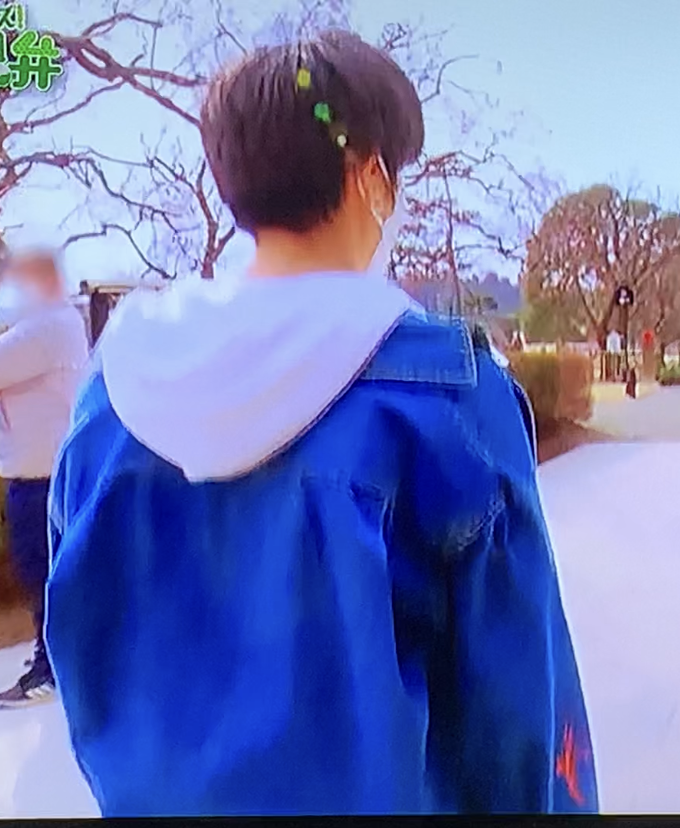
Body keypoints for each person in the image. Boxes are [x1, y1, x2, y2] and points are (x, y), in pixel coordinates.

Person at [43, 30, 597, 816]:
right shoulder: (447, 397)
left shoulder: (113, 394)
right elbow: (518, 717)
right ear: (370, 175)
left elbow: (82, 645)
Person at [0, 250, 90, 709]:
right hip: (42, 474)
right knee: (45, 572)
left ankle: (51, 669)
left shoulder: (51, 325)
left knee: (43, 573)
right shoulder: (54, 324)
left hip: (42, 478)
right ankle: (55, 657)